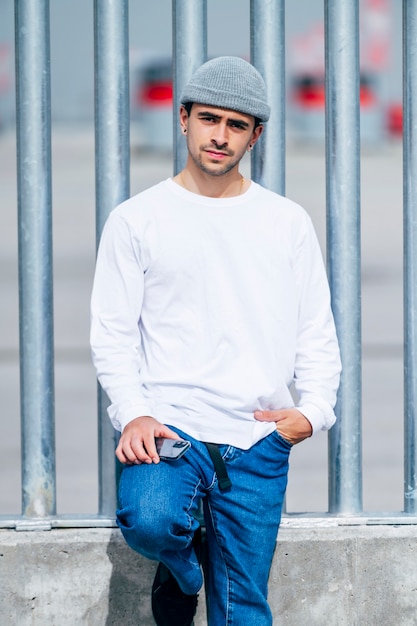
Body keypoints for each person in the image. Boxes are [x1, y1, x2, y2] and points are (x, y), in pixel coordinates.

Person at [90, 56, 341, 626]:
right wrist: (133, 413)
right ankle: (185, 567)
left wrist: (312, 414)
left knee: (244, 612)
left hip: (257, 438)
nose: (220, 136)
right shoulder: (138, 220)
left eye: (236, 124)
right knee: (152, 522)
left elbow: (316, 332)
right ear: (183, 120)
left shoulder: (286, 222)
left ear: (256, 134)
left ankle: (203, 561)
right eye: (209, 119)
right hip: (170, 427)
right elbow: (112, 332)